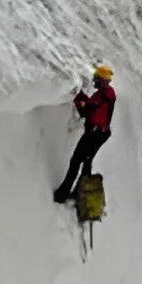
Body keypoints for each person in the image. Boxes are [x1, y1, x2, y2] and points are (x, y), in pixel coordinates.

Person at [53, 64, 117, 204]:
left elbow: (85, 111)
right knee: (86, 161)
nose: (94, 81)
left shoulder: (102, 95)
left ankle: (62, 195)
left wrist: (78, 100)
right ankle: (81, 193)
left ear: (103, 80)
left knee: (76, 161)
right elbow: (96, 108)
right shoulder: (109, 93)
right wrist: (85, 100)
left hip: (94, 134)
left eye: (97, 78)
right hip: (101, 133)